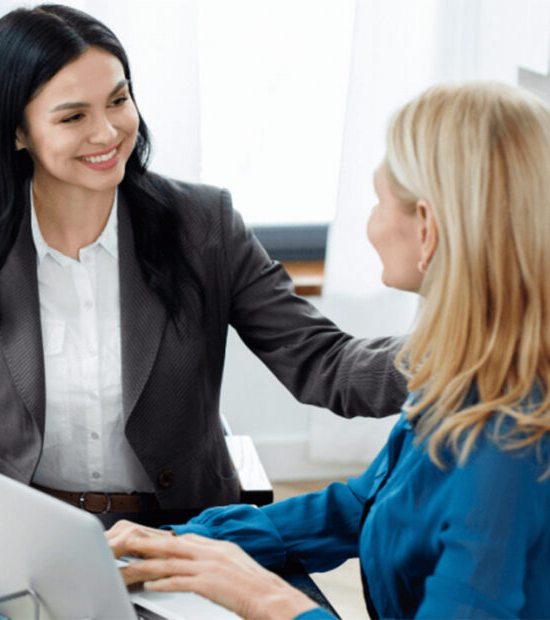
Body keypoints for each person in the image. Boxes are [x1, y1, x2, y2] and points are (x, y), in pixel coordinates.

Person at [0, 4, 407, 537]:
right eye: (73, 115)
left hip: (183, 532)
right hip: (28, 536)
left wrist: (458, 354)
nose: (108, 133)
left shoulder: (204, 225)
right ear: (18, 131)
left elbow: (323, 363)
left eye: (118, 100)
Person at [108, 81, 550, 618]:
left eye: (379, 200)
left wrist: (264, 597)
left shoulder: (504, 449)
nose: (371, 224)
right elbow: (362, 506)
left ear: (428, 229)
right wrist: (187, 543)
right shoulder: (476, 378)